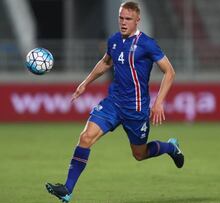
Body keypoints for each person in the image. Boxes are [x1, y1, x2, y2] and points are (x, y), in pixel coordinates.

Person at [45, 2, 184, 202]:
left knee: (139, 154)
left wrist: (159, 102)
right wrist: (85, 83)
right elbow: (105, 62)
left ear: (138, 20)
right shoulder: (114, 40)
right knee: (85, 138)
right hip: (113, 103)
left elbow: (169, 71)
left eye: (128, 19)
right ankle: (67, 189)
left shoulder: (147, 44)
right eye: (121, 18)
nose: (123, 22)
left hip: (136, 109)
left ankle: (171, 148)